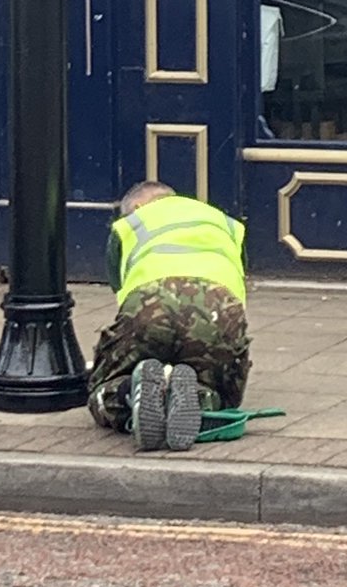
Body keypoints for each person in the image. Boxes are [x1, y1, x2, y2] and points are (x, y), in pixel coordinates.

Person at [87, 179, 251, 451]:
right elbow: (239, 274)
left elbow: (123, 298)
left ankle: (130, 394)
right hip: (219, 309)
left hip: (151, 303)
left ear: (137, 206)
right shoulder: (223, 222)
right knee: (224, 392)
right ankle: (200, 398)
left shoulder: (129, 225)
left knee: (103, 386)